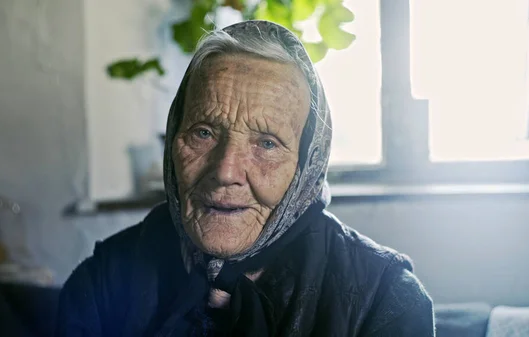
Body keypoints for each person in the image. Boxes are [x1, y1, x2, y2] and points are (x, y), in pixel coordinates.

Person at [56, 20, 435, 336]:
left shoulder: (383, 301)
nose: (225, 172)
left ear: (308, 167)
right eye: (203, 133)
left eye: (267, 144)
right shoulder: (103, 281)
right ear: (173, 139)